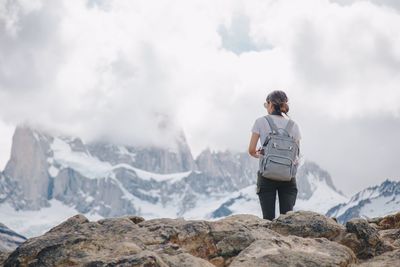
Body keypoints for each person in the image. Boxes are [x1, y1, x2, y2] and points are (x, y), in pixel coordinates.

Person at [248, 90, 301, 220]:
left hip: (267, 176)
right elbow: (296, 154)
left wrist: (261, 154)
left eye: (266, 105)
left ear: (270, 104)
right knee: (287, 221)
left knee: (268, 219)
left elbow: (251, 150)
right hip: (288, 178)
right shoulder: (294, 126)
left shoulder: (260, 121)